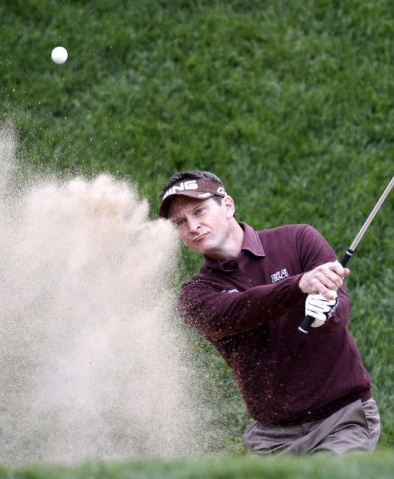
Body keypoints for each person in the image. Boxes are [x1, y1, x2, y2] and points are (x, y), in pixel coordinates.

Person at [158, 170, 380, 455]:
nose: (193, 226)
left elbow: (340, 310)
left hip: (342, 419)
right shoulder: (195, 295)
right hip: (271, 438)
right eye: (181, 222)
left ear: (227, 206)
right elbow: (239, 310)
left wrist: (327, 311)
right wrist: (298, 285)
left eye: (199, 211)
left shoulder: (298, 240)